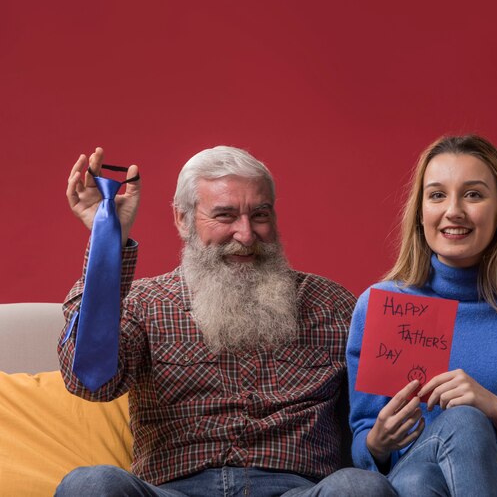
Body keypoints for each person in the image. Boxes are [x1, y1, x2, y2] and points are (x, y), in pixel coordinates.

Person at [57, 146, 395, 497]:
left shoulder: (333, 303)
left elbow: (376, 416)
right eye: (225, 216)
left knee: (361, 488)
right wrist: (107, 238)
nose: (246, 235)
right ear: (182, 219)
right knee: (89, 485)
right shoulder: (145, 302)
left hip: (299, 490)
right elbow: (90, 383)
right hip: (174, 490)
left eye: (260, 215)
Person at [347, 134, 497, 497]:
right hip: (410, 485)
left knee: (457, 429)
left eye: (474, 194)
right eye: (437, 195)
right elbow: (363, 446)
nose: (453, 211)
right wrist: (377, 444)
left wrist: (496, 410)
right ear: (420, 212)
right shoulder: (380, 306)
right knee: (417, 478)